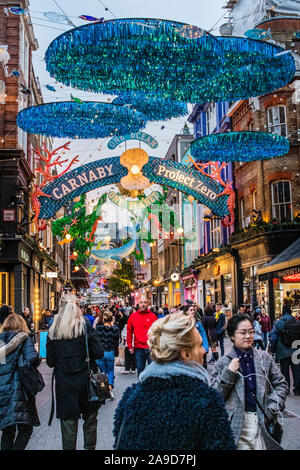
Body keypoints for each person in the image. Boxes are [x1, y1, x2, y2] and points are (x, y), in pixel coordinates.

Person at [113, 313, 236, 450]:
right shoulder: (205, 400)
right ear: (186, 354)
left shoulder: (131, 397)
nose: (203, 351)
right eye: (200, 345)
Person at [211, 314, 287, 450]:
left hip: (263, 422)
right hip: (235, 424)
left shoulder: (264, 358)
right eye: (243, 332)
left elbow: (280, 384)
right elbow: (214, 397)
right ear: (232, 335)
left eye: (251, 332)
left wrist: (272, 407)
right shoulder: (223, 362)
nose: (248, 336)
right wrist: (229, 373)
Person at [46, 294, 104, 450]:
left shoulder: (53, 330)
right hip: (86, 381)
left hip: (64, 384)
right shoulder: (85, 327)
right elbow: (99, 353)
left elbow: (50, 362)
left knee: (68, 423)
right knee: (90, 420)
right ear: (77, 308)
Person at [0, 314, 41, 450]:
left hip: (3, 390)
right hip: (21, 390)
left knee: (8, 429)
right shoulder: (24, 339)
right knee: (25, 428)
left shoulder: (0, 341)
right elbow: (33, 359)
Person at [269, 306, 300, 396]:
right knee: (297, 370)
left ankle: (286, 389)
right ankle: (297, 389)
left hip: (283, 351)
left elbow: (273, 337)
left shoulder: (278, 323)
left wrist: (272, 349)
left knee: (285, 371)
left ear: (282, 313)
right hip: (296, 350)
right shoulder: (297, 323)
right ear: (290, 312)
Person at [127, 297, 157, 376]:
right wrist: (130, 346)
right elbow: (129, 332)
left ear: (148, 304)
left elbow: (158, 331)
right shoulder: (133, 316)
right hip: (139, 348)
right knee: (140, 370)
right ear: (138, 304)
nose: (143, 304)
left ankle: (151, 387)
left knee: (153, 371)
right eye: (141, 302)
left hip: (151, 347)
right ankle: (141, 387)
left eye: (145, 302)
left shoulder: (153, 316)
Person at [95, 311, 120, 400]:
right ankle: (109, 388)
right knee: (110, 371)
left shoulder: (98, 328)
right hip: (110, 352)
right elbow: (117, 343)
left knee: (102, 372)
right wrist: (116, 353)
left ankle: (102, 389)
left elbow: (95, 341)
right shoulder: (115, 329)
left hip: (100, 352)